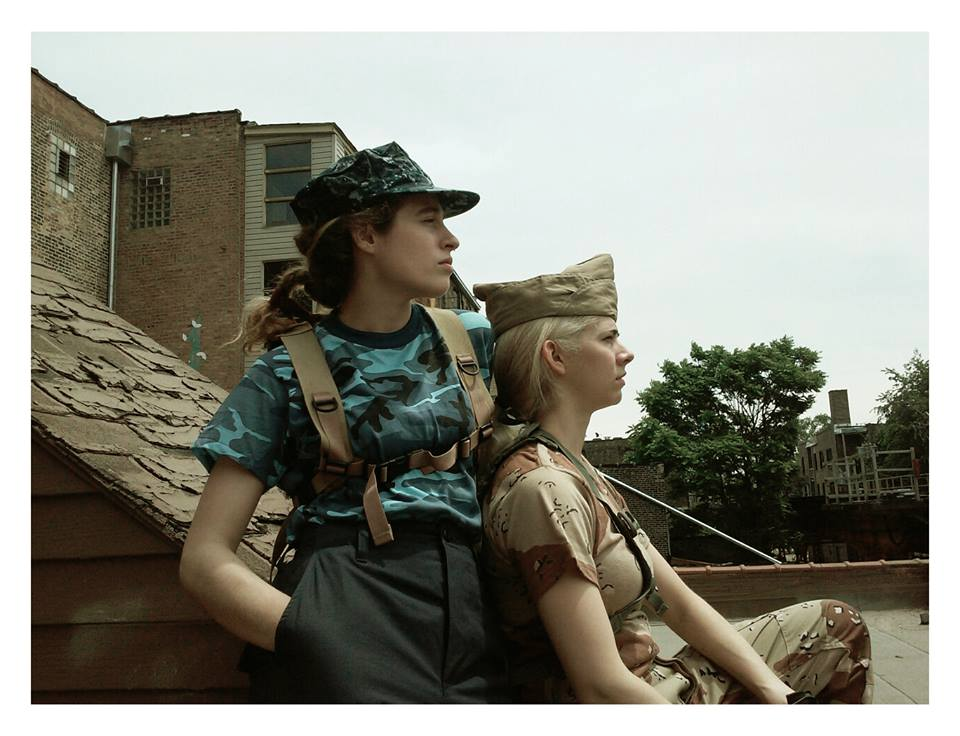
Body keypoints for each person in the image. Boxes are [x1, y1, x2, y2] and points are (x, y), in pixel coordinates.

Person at [179, 142, 509, 703]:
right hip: (348, 590)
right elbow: (205, 559)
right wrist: (315, 635)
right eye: (428, 220)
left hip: (472, 602)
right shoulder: (286, 371)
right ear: (366, 235)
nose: (450, 239)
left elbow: (549, 456)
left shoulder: (471, 341)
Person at [473, 254, 874, 704]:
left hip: (659, 680)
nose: (625, 352)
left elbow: (679, 605)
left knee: (833, 624)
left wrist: (777, 693)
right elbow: (600, 687)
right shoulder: (544, 488)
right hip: (636, 701)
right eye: (607, 338)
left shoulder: (579, 470)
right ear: (555, 356)